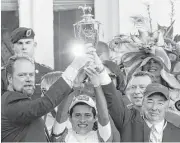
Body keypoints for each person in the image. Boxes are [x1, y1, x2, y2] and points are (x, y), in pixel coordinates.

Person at [1, 44, 95, 142]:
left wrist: (74, 83)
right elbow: (44, 104)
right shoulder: (10, 101)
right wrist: (74, 67)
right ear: (10, 78)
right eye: (22, 75)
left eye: (31, 75)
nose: (28, 79)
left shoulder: (23, 103)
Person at [103, 82, 180, 142]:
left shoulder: (177, 133)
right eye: (150, 101)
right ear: (143, 102)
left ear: (167, 106)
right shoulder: (127, 124)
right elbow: (112, 98)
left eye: (160, 103)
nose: (154, 108)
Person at [1, 27, 52, 100]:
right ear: (13, 47)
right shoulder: (3, 75)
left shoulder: (46, 73)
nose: (24, 47)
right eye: (20, 43)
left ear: (34, 45)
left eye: (28, 43)